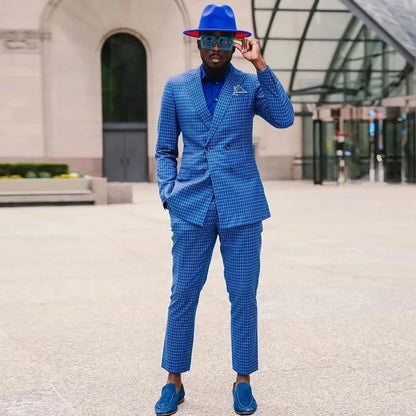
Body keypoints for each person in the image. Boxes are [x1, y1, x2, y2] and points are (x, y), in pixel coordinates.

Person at [154, 4, 294, 415]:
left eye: (223, 41)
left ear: (235, 44)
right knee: (183, 293)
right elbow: (164, 149)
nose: (215, 48)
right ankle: (173, 380)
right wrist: (170, 193)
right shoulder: (176, 87)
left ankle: (243, 380)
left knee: (243, 296)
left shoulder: (248, 85)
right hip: (192, 206)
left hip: (243, 207)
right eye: (209, 40)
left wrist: (261, 64)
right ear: (199, 42)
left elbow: (284, 118)